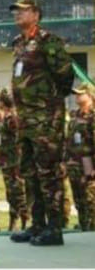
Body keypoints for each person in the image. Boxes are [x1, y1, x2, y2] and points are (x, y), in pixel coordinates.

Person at [7, 0, 74, 246]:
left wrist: (50, 104)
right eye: (16, 11)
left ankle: (54, 228)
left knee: (49, 174)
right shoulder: (18, 42)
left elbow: (65, 76)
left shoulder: (49, 41)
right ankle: (37, 225)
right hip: (25, 121)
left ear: (36, 14)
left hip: (46, 120)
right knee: (29, 173)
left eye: (23, 10)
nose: (18, 14)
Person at [0, 88, 28, 231]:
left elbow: (18, 138)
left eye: (0, 102)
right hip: (7, 161)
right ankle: (13, 222)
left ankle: (24, 222)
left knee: (18, 193)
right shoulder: (5, 118)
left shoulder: (12, 119)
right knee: (11, 194)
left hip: (15, 162)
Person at [66, 83, 94, 231]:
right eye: (76, 94)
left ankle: (92, 229)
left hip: (88, 165)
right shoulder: (75, 115)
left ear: (90, 95)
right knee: (79, 199)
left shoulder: (93, 116)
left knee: (91, 200)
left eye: (80, 93)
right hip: (74, 164)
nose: (77, 96)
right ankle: (84, 225)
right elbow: (69, 140)